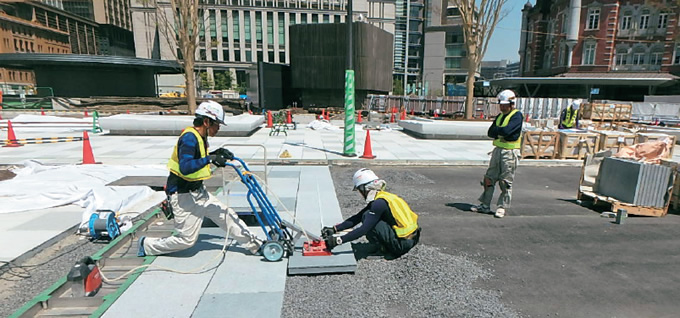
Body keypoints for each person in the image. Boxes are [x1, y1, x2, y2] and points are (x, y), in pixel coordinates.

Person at [138, 101, 263, 257]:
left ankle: (257, 246)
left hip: (198, 192)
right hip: (182, 196)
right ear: (206, 121)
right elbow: (186, 166)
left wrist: (218, 153)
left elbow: (200, 158)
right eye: (217, 124)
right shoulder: (189, 138)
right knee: (186, 240)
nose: (218, 128)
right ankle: (147, 245)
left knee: (227, 215)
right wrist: (210, 159)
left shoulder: (200, 136)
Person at [321, 168, 421, 258]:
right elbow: (357, 217)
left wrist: (338, 240)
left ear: (364, 188)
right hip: (412, 238)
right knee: (367, 215)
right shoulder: (383, 197)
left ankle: (385, 250)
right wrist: (334, 229)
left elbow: (364, 229)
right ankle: (389, 244)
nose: (360, 194)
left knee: (369, 220)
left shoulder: (378, 204)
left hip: (401, 246)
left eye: (360, 190)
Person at [470, 89, 523, 218]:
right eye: (501, 104)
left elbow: (508, 131)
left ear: (511, 104)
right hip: (498, 150)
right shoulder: (500, 116)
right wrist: (501, 132)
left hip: (510, 152)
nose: (502, 107)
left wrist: (499, 132)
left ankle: (502, 207)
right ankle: (485, 205)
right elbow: (490, 132)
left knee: (505, 181)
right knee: (489, 178)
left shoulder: (517, 115)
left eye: (505, 104)